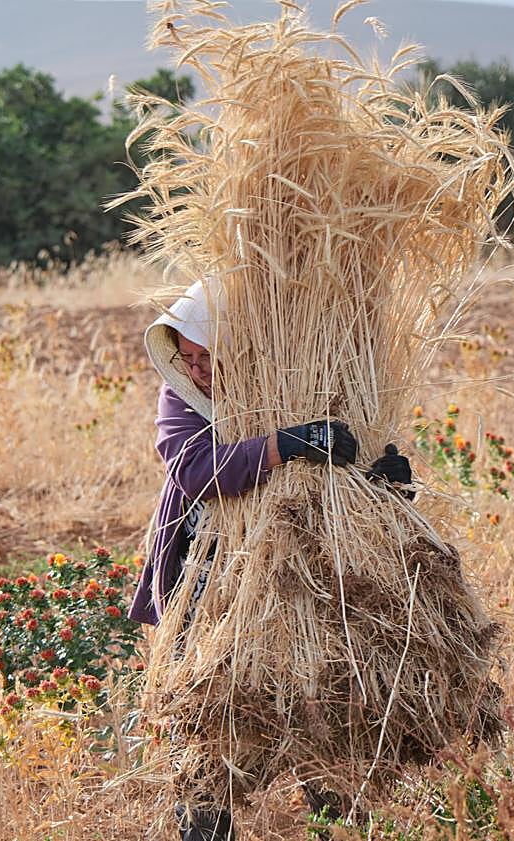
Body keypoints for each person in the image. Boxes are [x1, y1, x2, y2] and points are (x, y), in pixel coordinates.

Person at [128, 279, 414, 841]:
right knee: (213, 731)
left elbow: (346, 474)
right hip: (209, 582)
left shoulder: (303, 386)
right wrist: (286, 445)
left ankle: (339, 825)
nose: (198, 369)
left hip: (305, 578)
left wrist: (388, 487)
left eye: (209, 355)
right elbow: (195, 472)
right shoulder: (180, 398)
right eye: (187, 357)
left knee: (322, 717)